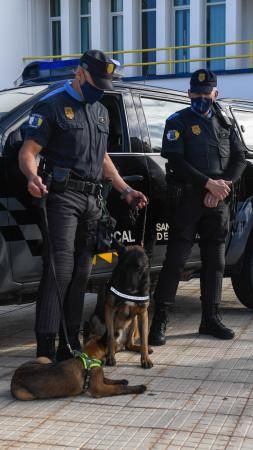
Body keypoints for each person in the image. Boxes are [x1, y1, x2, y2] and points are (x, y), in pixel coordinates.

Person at [19, 50, 147, 361]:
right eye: (96, 82)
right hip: (62, 198)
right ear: (80, 74)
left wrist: (125, 189)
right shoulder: (52, 107)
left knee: (80, 273)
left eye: (105, 84)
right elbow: (28, 151)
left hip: (93, 201)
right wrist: (32, 177)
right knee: (59, 271)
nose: (100, 89)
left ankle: (70, 344)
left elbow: (103, 159)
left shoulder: (100, 110)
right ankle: (46, 348)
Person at [148, 69, 247, 346]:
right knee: (175, 260)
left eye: (207, 94)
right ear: (189, 93)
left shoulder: (226, 122)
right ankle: (160, 321)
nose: (201, 99)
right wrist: (208, 185)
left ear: (215, 93)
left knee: (216, 261)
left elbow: (240, 158)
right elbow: (176, 161)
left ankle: (210, 318)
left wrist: (222, 186)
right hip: (188, 200)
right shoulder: (177, 121)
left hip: (218, 202)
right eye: (196, 94)